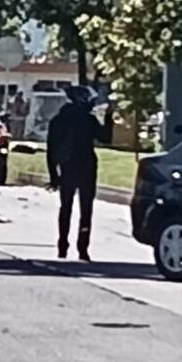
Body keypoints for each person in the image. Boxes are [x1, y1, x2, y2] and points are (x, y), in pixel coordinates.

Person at [46, 84, 113, 260]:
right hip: (87, 167)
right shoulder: (88, 120)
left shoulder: (57, 120)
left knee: (65, 207)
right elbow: (106, 137)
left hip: (67, 168)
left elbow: (51, 151)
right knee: (86, 209)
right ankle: (82, 248)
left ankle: (62, 245)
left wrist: (53, 175)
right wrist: (109, 116)